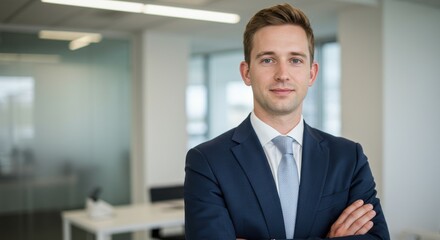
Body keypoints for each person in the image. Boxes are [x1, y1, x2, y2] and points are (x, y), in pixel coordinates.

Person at [184, 3, 389, 240]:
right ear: (246, 72)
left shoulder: (348, 158)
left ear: (311, 73)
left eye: (295, 60)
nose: (282, 74)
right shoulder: (208, 162)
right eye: (268, 60)